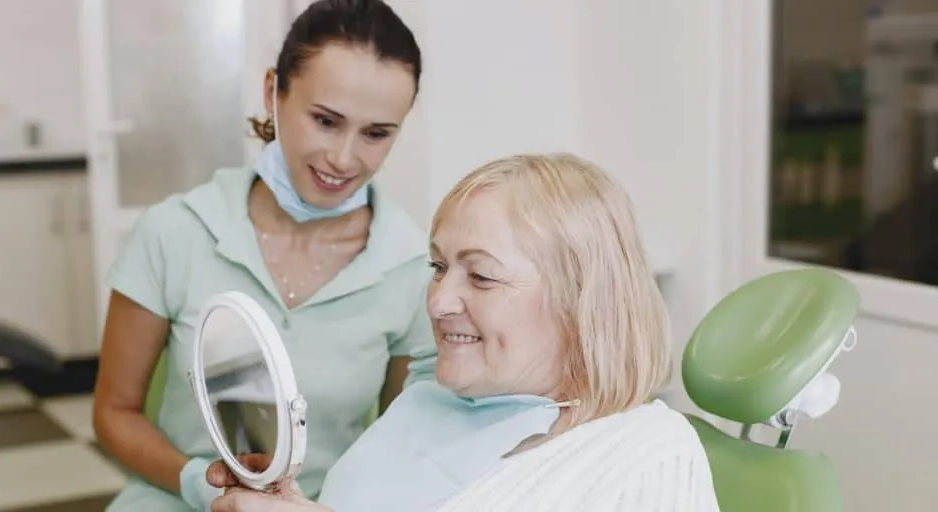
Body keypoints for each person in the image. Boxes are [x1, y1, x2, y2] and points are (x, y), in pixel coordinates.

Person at [203, 153, 721, 512]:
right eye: (438, 267)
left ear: (581, 301)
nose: (438, 301)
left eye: (481, 276)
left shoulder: (646, 453)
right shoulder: (430, 405)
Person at [92, 1, 436, 510]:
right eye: (325, 120)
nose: (343, 158)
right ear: (273, 92)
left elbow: (401, 443)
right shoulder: (175, 231)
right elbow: (114, 413)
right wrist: (202, 486)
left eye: (376, 133)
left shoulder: (412, 268)